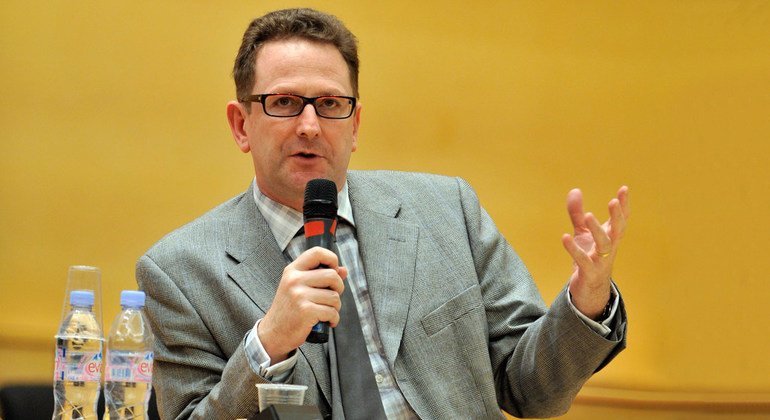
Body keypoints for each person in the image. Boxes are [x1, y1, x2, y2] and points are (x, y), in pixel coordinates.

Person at [136, 7, 630, 420]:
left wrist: (586, 301)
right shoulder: (179, 271)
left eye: (330, 104)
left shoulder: (447, 211)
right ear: (241, 124)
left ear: (355, 125)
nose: (310, 125)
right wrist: (266, 345)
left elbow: (531, 390)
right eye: (284, 102)